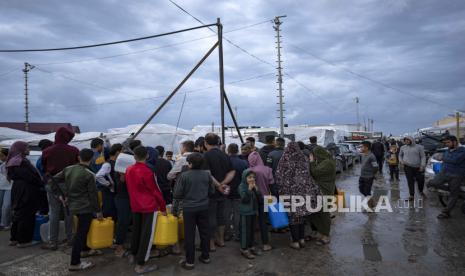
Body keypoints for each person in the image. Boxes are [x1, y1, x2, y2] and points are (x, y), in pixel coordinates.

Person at [52, 149, 103, 271]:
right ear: (91, 159)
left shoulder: (68, 169)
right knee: (80, 234)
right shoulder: (89, 174)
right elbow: (93, 195)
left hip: (72, 205)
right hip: (85, 207)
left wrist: (60, 195)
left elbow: (52, 180)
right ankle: (75, 263)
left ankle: (85, 250)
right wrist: (98, 211)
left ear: (78, 157)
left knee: (82, 230)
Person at [125, 146, 166, 274]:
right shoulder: (148, 171)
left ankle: (133, 253)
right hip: (148, 205)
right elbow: (156, 190)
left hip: (135, 204)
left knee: (136, 230)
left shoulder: (129, 169)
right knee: (147, 235)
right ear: (147, 156)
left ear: (134, 156)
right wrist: (163, 207)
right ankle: (140, 264)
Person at [173, 153, 214, 270]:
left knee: (189, 234)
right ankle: (206, 257)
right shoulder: (207, 175)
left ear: (190, 164)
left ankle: (190, 262)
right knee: (205, 232)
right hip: (204, 207)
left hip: (189, 208)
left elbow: (177, 194)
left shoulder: (184, 176)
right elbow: (212, 191)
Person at [276, 142, 320, 249]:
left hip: (290, 193)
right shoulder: (303, 159)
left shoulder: (285, 160)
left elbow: (279, 177)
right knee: (301, 217)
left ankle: (295, 241)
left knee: (294, 218)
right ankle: (302, 239)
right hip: (304, 193)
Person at [41, 126, 79, 250]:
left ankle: (53, 241)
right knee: (69, 212)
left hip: (52, 184)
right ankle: (70, 239)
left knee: (54, 212)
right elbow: (75, 167)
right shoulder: (74, 150)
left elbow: (43, 166)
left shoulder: (47, 150)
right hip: (69, 184)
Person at [6, 141, 42, 248]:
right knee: (26, 215)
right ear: (20, 149)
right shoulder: (21, 162)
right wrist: (40, 182)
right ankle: (24, 240)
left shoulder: (13, 161)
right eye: (27, 148)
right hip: (26, 190)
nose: (29, 150)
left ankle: (14, 238)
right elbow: (30, 177)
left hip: (18, 188)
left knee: (18, 214)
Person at [203, 133, 235, 251]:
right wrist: (223, 184)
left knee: (210, 217)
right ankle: (221, 240)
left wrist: (218, 186)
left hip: (211, 192)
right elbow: (232, 172)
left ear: (206, 143)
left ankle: (211, 244)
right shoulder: (225, 155)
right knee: (221, 217)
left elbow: (207, 173)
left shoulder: (206, 156)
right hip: (223, 192)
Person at [427, 135, 465, 219]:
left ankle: (446, 212)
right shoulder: (448, 150)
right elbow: (446, 161)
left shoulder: (462, 151)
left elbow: (455, 160)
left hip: (456, 175)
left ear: (455, 142)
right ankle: (454, 191)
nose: (446, 144)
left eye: (448, 142)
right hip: (444, 173)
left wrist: (443, 157)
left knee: (453, 195)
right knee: (432, 183)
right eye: (445, 143)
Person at [113, 142, 139, 257]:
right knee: (123, 222)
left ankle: (123, 243)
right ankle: (118, 246)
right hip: (123, 199)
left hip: (130, 198)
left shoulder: (131, 171)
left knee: (128, 222)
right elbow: (120, 185)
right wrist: (123, 174)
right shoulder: (119, 173)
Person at [309, 146, 336, 245]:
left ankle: (326, 236)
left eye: (314, 155)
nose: (313, 157)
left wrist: (311, 162)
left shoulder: (327, 163)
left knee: (324, 214)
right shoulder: (323, 161)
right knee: (317, 213)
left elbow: (315, 173)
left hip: (325, 190)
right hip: (320, 190)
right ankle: (321, 233)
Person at [247, 151, 274, 251]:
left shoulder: (248, 171)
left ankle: (251, 244)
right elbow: (272, 186)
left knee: (251, 221)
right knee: (264, 221)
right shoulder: (267, 170)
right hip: (266, 198)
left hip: (252, 199)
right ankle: (265, 244)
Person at [225, 143, 248, 241]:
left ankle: (227, 234)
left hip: (226, 191)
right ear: (237, 150)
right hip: (239, 191)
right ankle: (237, 234)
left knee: (226, 213)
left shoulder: (225, 161)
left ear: (228, 151)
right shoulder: (243, 163)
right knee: (238, 214)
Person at [238, 170, 261, 259]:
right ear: (244, 178)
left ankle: (251, 246)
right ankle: (244, 248)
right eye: (249, 177)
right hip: (245, 212)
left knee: (252, 230)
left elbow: (259, 198)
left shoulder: (253, 186)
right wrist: (249, 190)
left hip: (253, 212)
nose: (252, 179)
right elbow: (245, 199)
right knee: (245, 231)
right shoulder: (242, 186)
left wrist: (257, 190)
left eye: (253, 177)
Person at [95, 144, 122, 219]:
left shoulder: (115, 163)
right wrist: (109, 184)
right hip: (109, 193)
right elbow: (98, 176)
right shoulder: (107, 164)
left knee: (113, 212)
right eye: (121, 151)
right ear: (117, 152)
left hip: (113, 193)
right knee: (109, 212)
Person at [399, 136, 426, 200]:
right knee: (410, 181)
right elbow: (400, 155)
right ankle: (411, 195)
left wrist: (422, 165)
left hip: (418, 167)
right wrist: (401, 161)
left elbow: (423, 157)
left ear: (411, 140)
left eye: (408, 140)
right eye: (405, 140)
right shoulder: (403, 147)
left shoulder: (419, 147)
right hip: (407, 167)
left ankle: (421, 191)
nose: (406, 142)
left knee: (420, 180)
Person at [359, 141, 379, 209]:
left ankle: (370, 207)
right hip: (362, 176)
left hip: (368, 177)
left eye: (362, 147)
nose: (361, 148)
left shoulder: (372, 156)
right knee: (361, 189)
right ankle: (371, 200)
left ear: (366, 148)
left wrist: (373, 174)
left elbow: (376, 167)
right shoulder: (363, 154)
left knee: (367, 191)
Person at [36, 139, 53, 215]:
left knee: (45, 208)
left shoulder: (41, 157)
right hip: (48, 184)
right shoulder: (46, 156)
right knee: (49, 207)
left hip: (42, 185)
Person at [0, 148, 11, 230]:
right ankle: (1, 223)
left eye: (2, 156)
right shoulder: (1, 164)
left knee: (6, 206)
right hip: (1, 186)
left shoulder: (12, 163)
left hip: (10, 187)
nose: (1, 157)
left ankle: (6, 223)